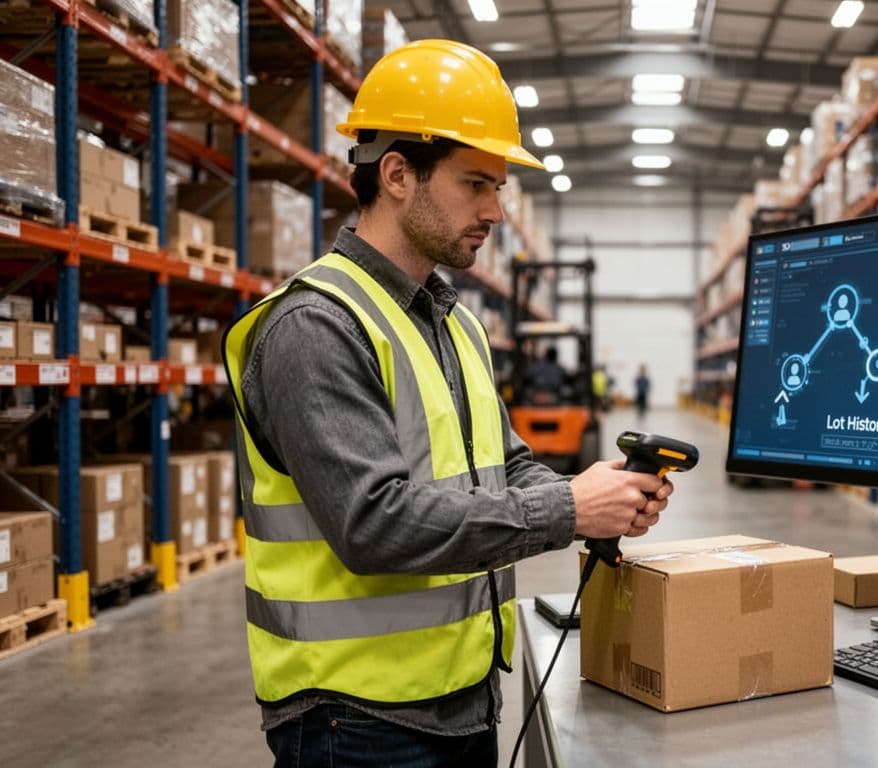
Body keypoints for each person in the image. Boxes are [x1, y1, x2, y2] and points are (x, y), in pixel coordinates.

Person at [222, 40, 676, 768]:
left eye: (497, 187)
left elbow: (510, 464)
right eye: (476, 184)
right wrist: (568, 510)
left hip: (462, 693)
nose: (496, 210)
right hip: (356, 719)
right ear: (398, 174)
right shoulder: (317, 326)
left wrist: (596, 493)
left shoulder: (451, 320)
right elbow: (373, 524)